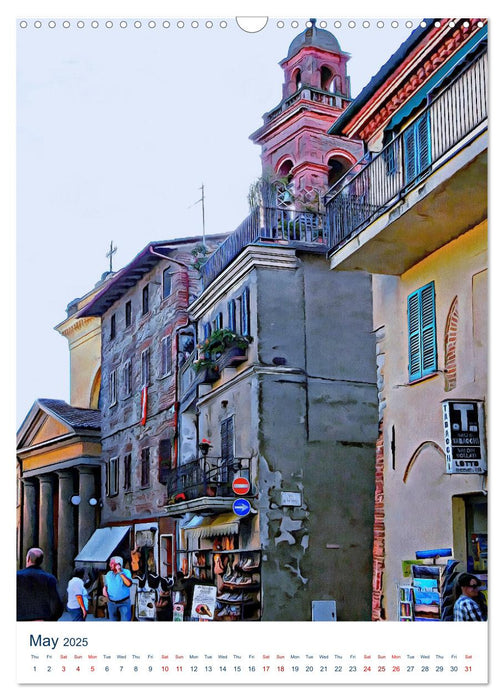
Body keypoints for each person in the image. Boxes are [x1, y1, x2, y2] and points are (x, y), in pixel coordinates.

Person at [17, 547, 64, 621]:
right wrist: (48, 620)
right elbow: (56, 605)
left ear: (28, 558)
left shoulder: (17, 576)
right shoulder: (49, 578)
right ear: (41, 561)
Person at [103, 555, 133, 621]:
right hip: (111, 603)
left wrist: (119, 572)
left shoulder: (126, 572)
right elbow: (106, 584)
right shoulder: (109, 574)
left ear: (118, 564)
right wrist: (104, 588)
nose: (109, 565)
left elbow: (128, 584)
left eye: (112, 563)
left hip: (124, 602)